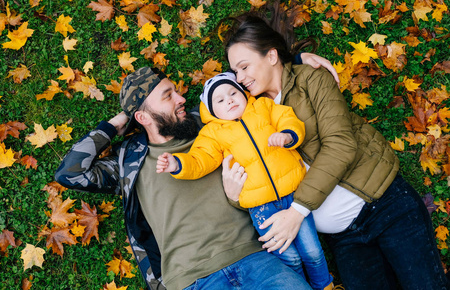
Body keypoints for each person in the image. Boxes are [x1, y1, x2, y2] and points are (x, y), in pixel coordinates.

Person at [221, 0, 449, 290]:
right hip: (346, 239)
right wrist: (233, 194)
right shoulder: (249, 113)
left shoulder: (310, 81)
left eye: (243, 67)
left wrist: (297, 212)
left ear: (272, 56)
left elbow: (341, 145)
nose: (239, 79)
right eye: (235, 72)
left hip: (385, 206)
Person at [55, 66, 338, 290]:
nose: (181, 99)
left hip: (256, 259)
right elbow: (71, 172)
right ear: (143, 117)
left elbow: (255, 88)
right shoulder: (129, 161)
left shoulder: (213, 122)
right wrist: (117, 122)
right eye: (168, 96)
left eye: (176, 92)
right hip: (191, 279)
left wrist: (300, 63)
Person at [156, 72, 333, 290]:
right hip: (261, 207)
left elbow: (287, 117)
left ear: (243, 93)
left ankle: (325, 285)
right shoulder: (213, 133)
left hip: (294, 193)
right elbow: (201, 158)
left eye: (232, 93)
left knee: (313, 252)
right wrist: (178, 164)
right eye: (219, 100)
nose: (229, 100)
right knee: (291, 258)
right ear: (212, 111)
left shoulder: (263, 107)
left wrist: (287, 135)